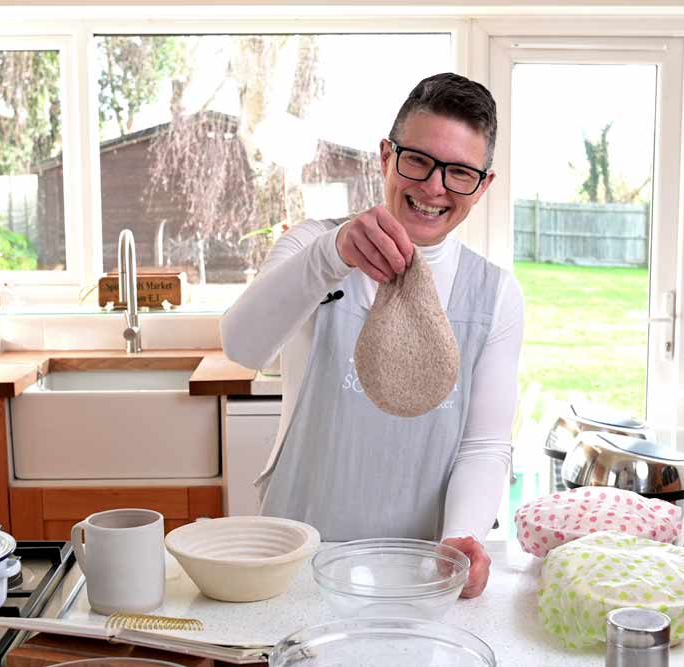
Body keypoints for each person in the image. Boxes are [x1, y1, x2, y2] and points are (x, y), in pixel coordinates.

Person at [220, 72, 524, 598]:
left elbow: (485, 443)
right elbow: (242, 346)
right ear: (386, 156)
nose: (433, 187)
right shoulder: (313, 247)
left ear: (483, 186)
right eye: (418, 160)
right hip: (294, 560)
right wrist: (330, 254)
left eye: (459, 173)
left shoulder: (496, 296)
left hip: (418, 573)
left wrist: (463, 538)